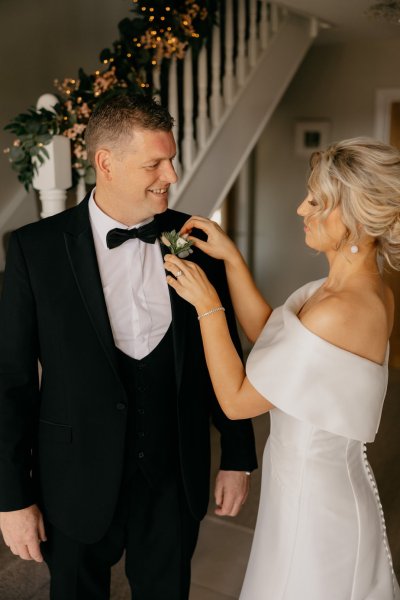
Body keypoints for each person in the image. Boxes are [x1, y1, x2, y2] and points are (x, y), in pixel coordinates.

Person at [0, 93, 258, 600]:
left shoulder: (196, 240)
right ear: (106, 163)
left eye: (172, 158)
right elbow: (11, 380)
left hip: (172, 475)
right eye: (155, 163)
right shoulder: (35, 250)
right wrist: (11, 498)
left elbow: (222, 355)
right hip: (73, 479)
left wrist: (237, 455)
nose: (171, 174)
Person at [163, 137, 400, 599]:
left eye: (316, 201)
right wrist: (231, 260)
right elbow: (275, 335)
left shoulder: (345, 309)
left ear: (353, 214)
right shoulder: (342, 290)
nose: (300, 209)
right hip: (301, 486)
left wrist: (209, 308)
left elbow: (236, 402)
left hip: (316, 505)